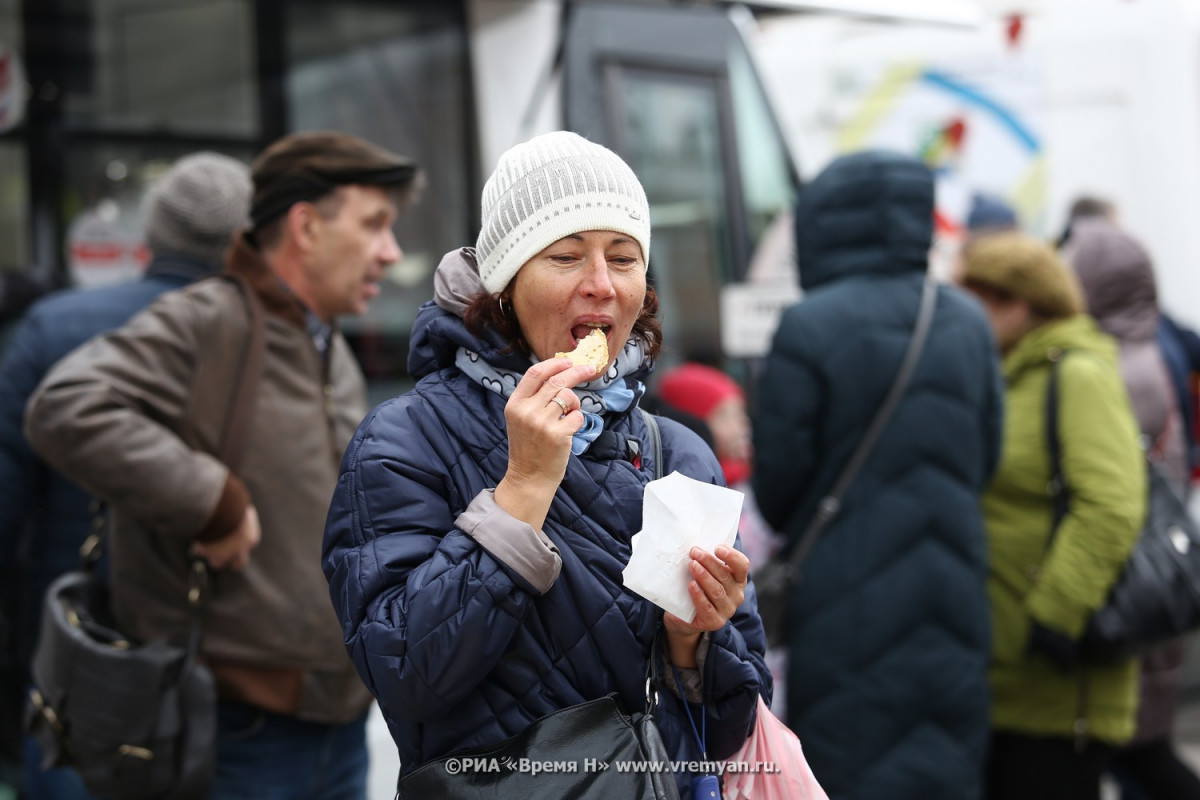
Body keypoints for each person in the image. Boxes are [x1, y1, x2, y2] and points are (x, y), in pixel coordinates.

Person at [321, 130, 771, 799]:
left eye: (624, 259)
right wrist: (523, 490)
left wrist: (692, 640)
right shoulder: (405, 440)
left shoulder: (678, 453)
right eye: (565, 256)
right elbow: (407, 674)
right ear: (503, 285)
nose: (601, 285)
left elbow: (730, 727)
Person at [22, 131, 421, 799]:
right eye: (374, 225)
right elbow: (65, 406)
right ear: (305, 227)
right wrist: (213, 501)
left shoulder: (329, 346)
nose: (391, 251)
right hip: (235, 735)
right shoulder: (208, 317)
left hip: (338, 728)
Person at [752, 149, 1004, 800]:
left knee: (849, 766)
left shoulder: (809, 327)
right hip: (953, 592)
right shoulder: (967, 321)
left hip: (844, 601)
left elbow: (778, 492)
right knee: (944, 764)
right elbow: (988, 456)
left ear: (821, 227)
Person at [0, 151, 251, 800]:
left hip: (83, 661)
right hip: (234, 672)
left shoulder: (52, 327)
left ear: (152, 236)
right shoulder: (267, 340)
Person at [958, 232, 1146, 800]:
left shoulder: (1076, 373)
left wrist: (1054, 614)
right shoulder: (1006, 375)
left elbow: (1111, 505)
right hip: (1002, 673)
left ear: (1017, 305)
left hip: (1058, 676)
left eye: (976, 303)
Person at [1063, 218, 1200, 800]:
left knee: (1134, 752)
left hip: (1131, 581)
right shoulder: (1153, 344)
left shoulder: (1116, 364)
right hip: (1146, 572)